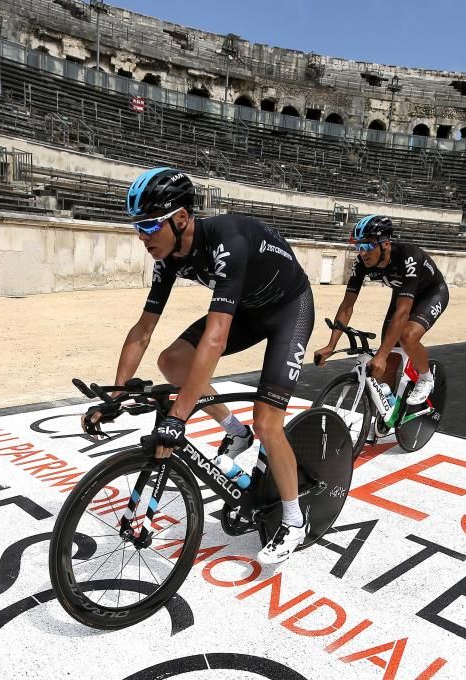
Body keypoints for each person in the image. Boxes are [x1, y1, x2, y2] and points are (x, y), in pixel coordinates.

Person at [84, 167, 315, 565]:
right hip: (249, 308)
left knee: (268, 423)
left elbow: (216, 338)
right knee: (172, 361)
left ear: (181, 218)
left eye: (150, 226)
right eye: (137, 227)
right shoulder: (168, 257)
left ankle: (295, 520)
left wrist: (179, 414)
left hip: (288, 310)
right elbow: (143, 330)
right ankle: (234, 431)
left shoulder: (229, 241)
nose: (142, 237)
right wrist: (117, 394)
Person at [314, 215, 447, 405]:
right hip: (402, 294)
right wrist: (331, 345)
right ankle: (388, 416)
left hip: (430, 294)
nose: (362, 252)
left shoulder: (409, 257)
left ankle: (426, 378)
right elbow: (347, 305)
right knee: (387, 364)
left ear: (385, 244)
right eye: (358, 246)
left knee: (406, 337)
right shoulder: (361, 263)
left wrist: (381, 355)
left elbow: (402, 313)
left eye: (367, 245)